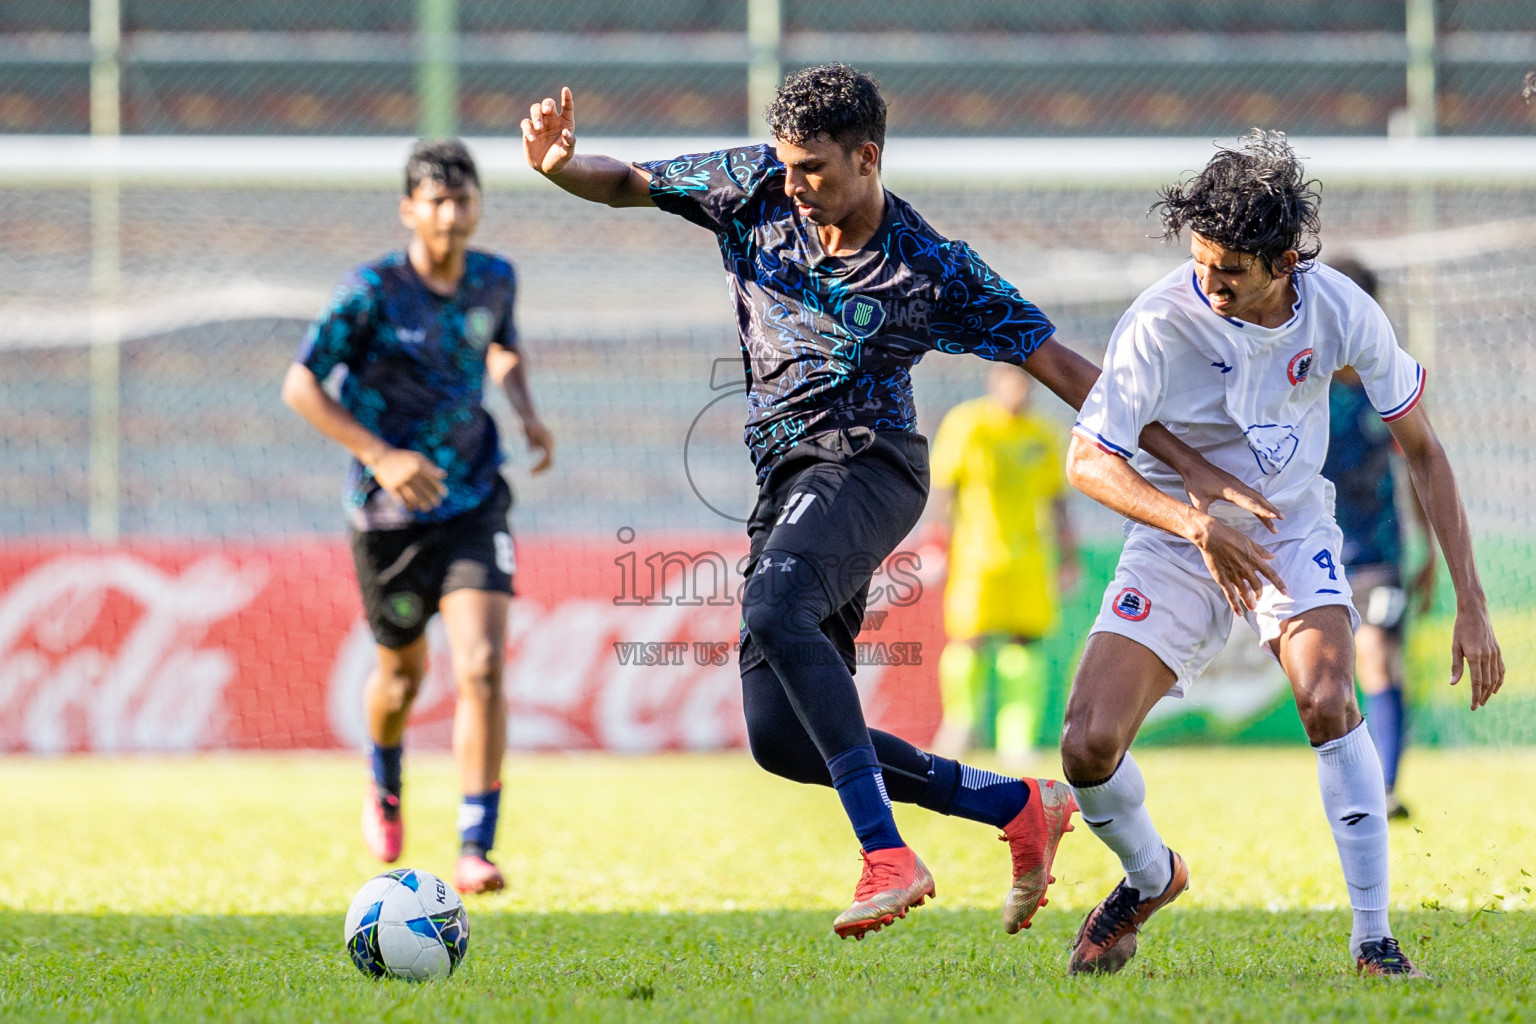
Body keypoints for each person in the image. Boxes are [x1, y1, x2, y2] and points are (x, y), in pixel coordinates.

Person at [520, 64, 1285, 940]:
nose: (795, 185)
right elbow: (629, 183)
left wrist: (1185, 464)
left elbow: (1069, 370)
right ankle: (1017, 806)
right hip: (786, 484)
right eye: (787, 165)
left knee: (776, 605)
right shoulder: (752, 187)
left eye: (813, 168)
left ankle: (886, 853)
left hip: (870, 466)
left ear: (867, 157)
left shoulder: (930, 267)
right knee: (782, 738)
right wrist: (558, 168)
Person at [1062, 130, 1502, 978]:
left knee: (1332, 697)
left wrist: (1472, 604)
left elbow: (1424, 449)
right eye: (1200, 260)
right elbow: (1087, 458)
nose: (1209, 281)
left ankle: (1374, 938)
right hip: (1174, 534)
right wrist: (1192, 522)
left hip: (1291, 530)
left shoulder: (1341, 308)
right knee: (1085, 744)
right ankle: (1150, 876)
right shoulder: (1160, 318)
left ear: (1285, 261)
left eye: (1229, 268)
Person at [282, 139, 555, 895]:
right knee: (402, 679)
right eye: (436, 199)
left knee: (483, 665)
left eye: (463, 198)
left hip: (474, 494)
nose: (451, 212)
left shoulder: (496, 278)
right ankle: (386, 783)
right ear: (410, 209)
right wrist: (381, 456)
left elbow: (502, 347)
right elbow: (301, 385)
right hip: (389, 515)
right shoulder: (369, 291)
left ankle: (476, 844)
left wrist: (527, 413)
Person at [1320, 258, 1438, 820]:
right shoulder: (1303, 381)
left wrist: (1429, 550)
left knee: (1378, 657)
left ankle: (1384, 788)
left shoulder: (1387, 383)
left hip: (1379, 556)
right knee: (1327, 675)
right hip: (1313, 555)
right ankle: (1353, 782)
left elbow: (1418, 465)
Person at [929, 363, 1079, 766]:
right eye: (1009, 382)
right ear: (994, 384)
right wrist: (936, 545)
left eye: (1023, 383)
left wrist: (1069, 557)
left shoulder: (1043, 433)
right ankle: (959, 725)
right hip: (975, 555)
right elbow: (945, 489)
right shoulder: (968, 425)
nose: (1018, 390)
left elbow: (1057, 500)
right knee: (967, 639)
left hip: (1029, 558)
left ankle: (1017, 739)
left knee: (1025, 642)